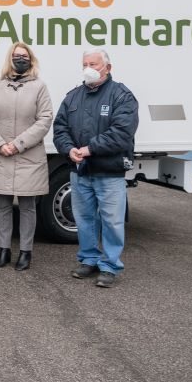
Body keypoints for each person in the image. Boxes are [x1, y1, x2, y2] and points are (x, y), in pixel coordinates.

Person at [53, 48, 138, 288]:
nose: (88, 68)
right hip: (81, 171)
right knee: (85, 219)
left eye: (94, 63)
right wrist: (69, 149)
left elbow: (122, 133)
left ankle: (110, 266)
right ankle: (88, 259)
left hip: (109, 172)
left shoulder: (122, 96)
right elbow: (60, 128)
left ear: (108, 68)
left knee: (112, 221)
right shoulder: (73, 97)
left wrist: (89, 149)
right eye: (85, 63)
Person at [0, 42, 53, 271]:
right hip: (0, 154)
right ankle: (3, 250)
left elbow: (45, 119)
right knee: (1, 205)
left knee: (27, 206)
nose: (20, 59)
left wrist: (18, 144)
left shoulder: (39, 87)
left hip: (28, 156)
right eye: (16, 55)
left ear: (31, 60)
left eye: (24, 56)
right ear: (9, 59)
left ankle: (25, 252)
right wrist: (0, 144)